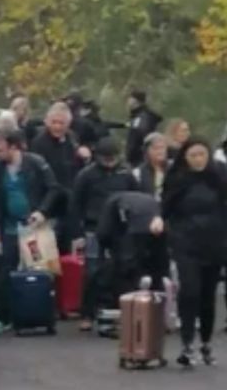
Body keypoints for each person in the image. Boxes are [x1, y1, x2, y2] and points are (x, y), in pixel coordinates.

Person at [0, 129, 61, 334]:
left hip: (34, 226)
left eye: (0, 150)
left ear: (14, 147)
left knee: (41, 268)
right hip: (8, 225)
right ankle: (3, 316)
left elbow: (54, 188)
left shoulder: (36, 163)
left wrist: (43, 211)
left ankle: (44, 314)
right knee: (5, 269)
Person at [162, 139, 227, 367]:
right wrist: (163, 225)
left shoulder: (219, 176)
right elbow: (165, 208)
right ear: (185, 158)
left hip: (214, 242)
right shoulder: (177, 178)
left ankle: (206, 342)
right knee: (190, 291)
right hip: (186, 242)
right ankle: (187, 343)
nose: (199, 160)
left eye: (202, 154)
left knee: (208, 295)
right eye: (193, 155)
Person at [70, 137, 139, 330]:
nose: (109, 161)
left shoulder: (127, 175)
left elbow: (137, 199)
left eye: (112, 157)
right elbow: (75, 205)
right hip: (94, 227)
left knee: (123, 270)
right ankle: (87, 313)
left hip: (121, 228)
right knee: (92, 271)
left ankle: (120, 311)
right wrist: (77, 234)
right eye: (105, 158)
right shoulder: (86, 175)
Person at [30, 102, 90, 251]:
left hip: (69, 204)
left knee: (67, 252)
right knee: (45, 254)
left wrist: (85, 157)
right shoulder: (39, 143)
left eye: (61, 123)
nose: (57, 127)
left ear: (68, 124)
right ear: (46, 121)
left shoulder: (72, 138)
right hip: (47, 204)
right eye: (54, 122)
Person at [96, 191, 168, 299]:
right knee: (157, 267)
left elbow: (103, 232)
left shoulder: (112, 201)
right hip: (158, 224)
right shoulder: (145, 198)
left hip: (136, 227)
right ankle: (156, 301)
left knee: (127, 268)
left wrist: (107, 248)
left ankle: (127, 302)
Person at [126, 90, 163, 167]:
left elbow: (138, 136)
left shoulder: (141, 118)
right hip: (141, 157)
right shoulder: (139, 116)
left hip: (139, 159)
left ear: (135, 101)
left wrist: (130, 154)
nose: (128, 101)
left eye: (130, 98)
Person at [134, 133, 170, 199]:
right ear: (147, 151)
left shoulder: (174, 169)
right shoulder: (138, 173)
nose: (160, 151)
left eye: (162, 147)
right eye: (156, 148)